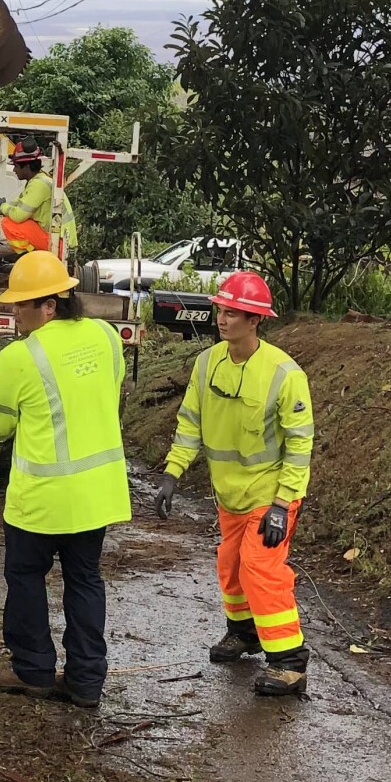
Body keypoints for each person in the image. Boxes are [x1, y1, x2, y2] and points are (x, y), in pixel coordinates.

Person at [0, 249, 130, 709]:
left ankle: (33, 669)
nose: (13, 312)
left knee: (25, 578)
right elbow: (112, 385)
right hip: (96, 497)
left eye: (20, 305)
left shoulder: (19, 358)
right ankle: (86, 682)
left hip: (42, 500)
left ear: (49, 304)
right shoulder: (105, 337)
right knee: (85, 580)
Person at [155, 271, 314, 698]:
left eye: (234, 313)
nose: (223, 320)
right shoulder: (208, 364)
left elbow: (300, 443)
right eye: (221, 310)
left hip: (270, 494)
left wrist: (283, 504)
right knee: (231, 565)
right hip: (230, 494)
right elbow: (190, 423)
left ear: (255, 320)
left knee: (262, 570)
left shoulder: (284, 374)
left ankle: (290, 663)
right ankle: (243, 633)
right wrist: (173, 473)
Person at [0, 140, 77, 260]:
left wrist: (1, 206)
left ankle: (29, 257)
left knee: (8, 223)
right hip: (63, 242)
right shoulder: (41, 180)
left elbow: (18, 215)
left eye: (16, 166)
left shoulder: (38, 185)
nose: (14, 170)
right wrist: (0, 207)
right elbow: (19, 203)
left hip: (59, 244)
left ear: (28, 166)